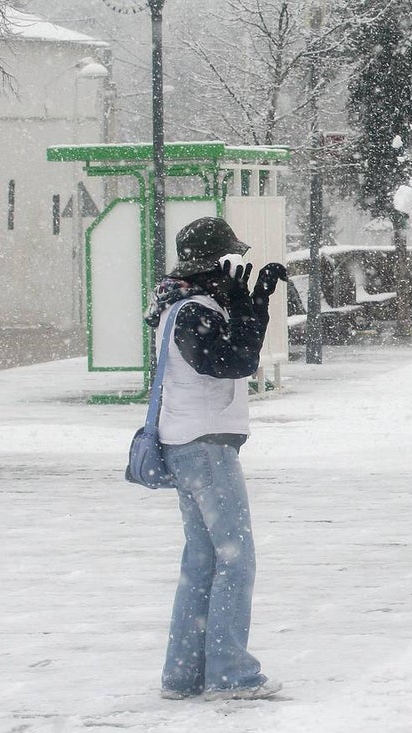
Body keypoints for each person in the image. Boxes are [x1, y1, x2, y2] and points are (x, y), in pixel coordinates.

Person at [147, 216, 287, 700]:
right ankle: (229, 671)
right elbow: (234, 362)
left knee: (203, 558)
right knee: (235, 558)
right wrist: (253, 310)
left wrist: (248, 307)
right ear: (212, 263)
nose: (237, 269)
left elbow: (229, 356)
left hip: (188, 442)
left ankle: (183, 674)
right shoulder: (193, 310)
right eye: (230, 259)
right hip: (204, 445)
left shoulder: (177, 304)